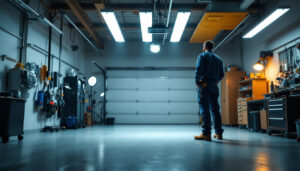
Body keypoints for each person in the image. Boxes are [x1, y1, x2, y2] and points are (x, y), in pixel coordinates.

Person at [194, 40, 225, 141]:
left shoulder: (202, 56)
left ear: (204, 47)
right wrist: (216, 80)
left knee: (205, 109)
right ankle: (219, 133)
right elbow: (222, 74)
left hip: (205, 84)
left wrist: (197, 82)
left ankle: (206, 134)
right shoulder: (218, 59)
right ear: (212, 47)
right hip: (214, 85)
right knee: (215, 110)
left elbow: (198, 69)